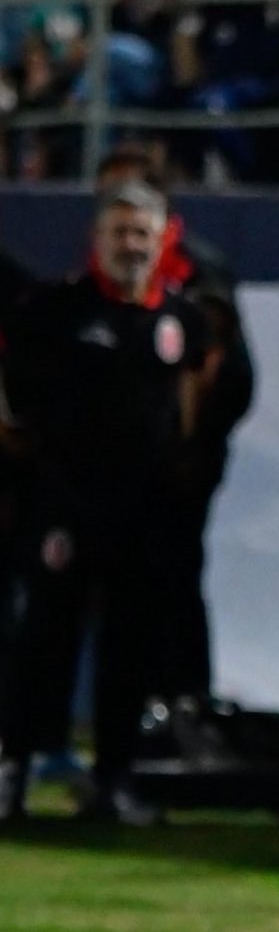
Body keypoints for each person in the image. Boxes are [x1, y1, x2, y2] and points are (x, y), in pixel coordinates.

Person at [0, 181, 211, 826]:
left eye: (141, 233)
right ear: (96, 238)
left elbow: (191, 403)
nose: (130, 245)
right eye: (119, 231)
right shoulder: (55, 310)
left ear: (162, 239)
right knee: (43, 641)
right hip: (64, 505)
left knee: (131, 648)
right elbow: (13, 400)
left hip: (143, 515)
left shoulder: (180, 319)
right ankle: (14, 771)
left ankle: (113, 780)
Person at [94, 145, 254, 754]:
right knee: (129, 585)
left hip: (178, 458)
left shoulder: (192, 268)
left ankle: (181, 701)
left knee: (172, 573)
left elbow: (208, 362)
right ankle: (145, 711)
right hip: (124, 460)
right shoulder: (104, 268)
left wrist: (185, 446)